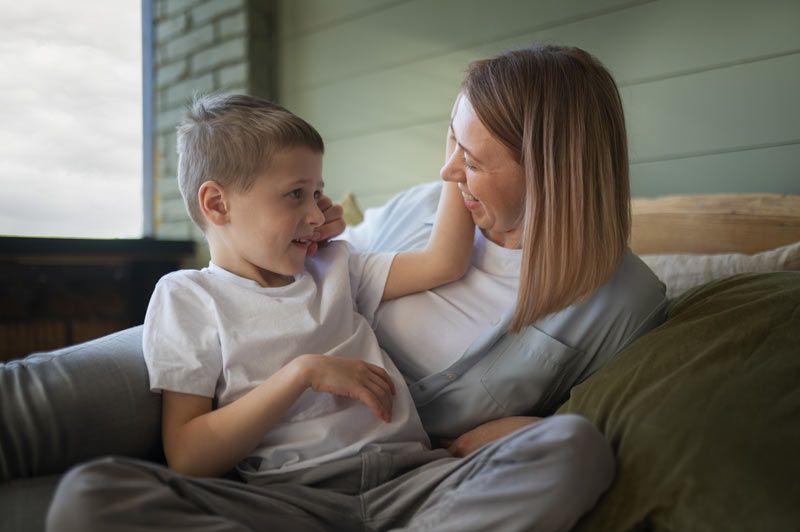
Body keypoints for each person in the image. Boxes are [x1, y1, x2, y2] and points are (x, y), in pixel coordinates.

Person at [46, 88, 615, 531]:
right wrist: (303, 374)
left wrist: (457, 154)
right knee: (91, 494)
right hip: (288, 504)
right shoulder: (188, 297)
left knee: (574, 446)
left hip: (412, 485)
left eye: (319, 192)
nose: (319, 214)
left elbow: (445, 261)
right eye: (296, 194)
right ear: (217, 203)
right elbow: (190, 455)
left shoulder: (338, 267)